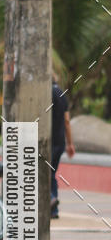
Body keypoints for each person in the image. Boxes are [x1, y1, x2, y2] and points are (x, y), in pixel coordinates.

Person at [51, 78, 75, 218]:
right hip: (60, 142)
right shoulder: (62, 94)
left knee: (40, 173)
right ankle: (53, 210)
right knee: (51, 174)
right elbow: (67, 121)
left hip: (47, 141)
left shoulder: (44, 93)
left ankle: (51, 198)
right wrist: (70, 143)